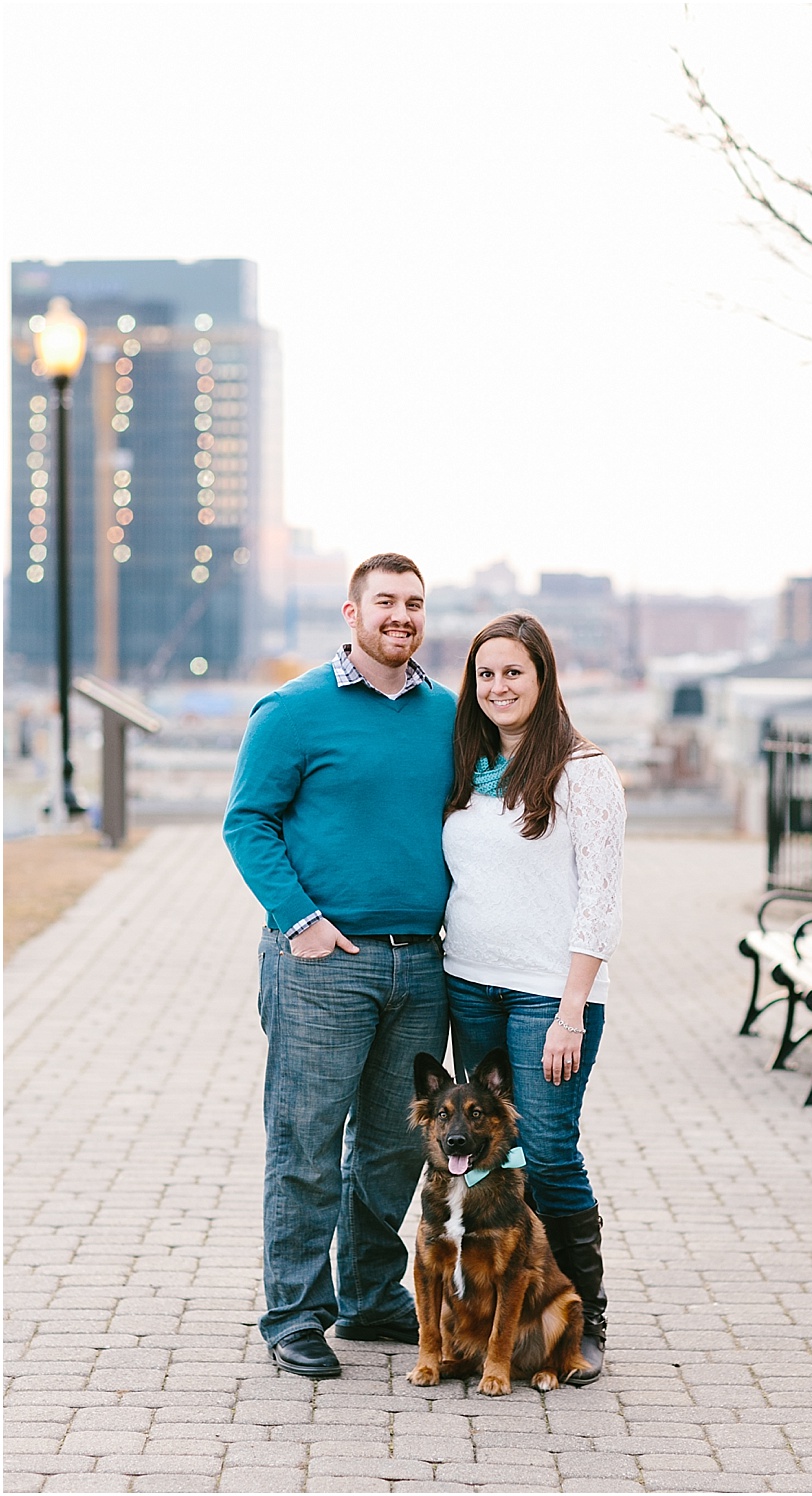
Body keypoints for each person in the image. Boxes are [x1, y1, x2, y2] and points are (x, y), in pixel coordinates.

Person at [223, 553, 455, 1379]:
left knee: (396, 1148)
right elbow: (247, 822)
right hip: (323, 965)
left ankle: (367, 1298)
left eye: (415, 604)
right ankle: (294, 1315)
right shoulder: (293, 710)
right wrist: (303, 923)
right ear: (351, 614)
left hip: (422, 966)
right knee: (306, 1144)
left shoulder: (447, 716)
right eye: (385, 602)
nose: (402, 616)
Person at [441, 611, 626, 1385]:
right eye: (485, 674)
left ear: (544, 678)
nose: (498, 686)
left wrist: (571, 1009)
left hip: (549, 997)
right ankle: (499, 1313)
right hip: (469, 985)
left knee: (549, 1152)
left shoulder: (584, 771)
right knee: (492, 1158)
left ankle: (584, 1315)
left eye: (513, 671)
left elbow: (599, 898)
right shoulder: (469, 767)